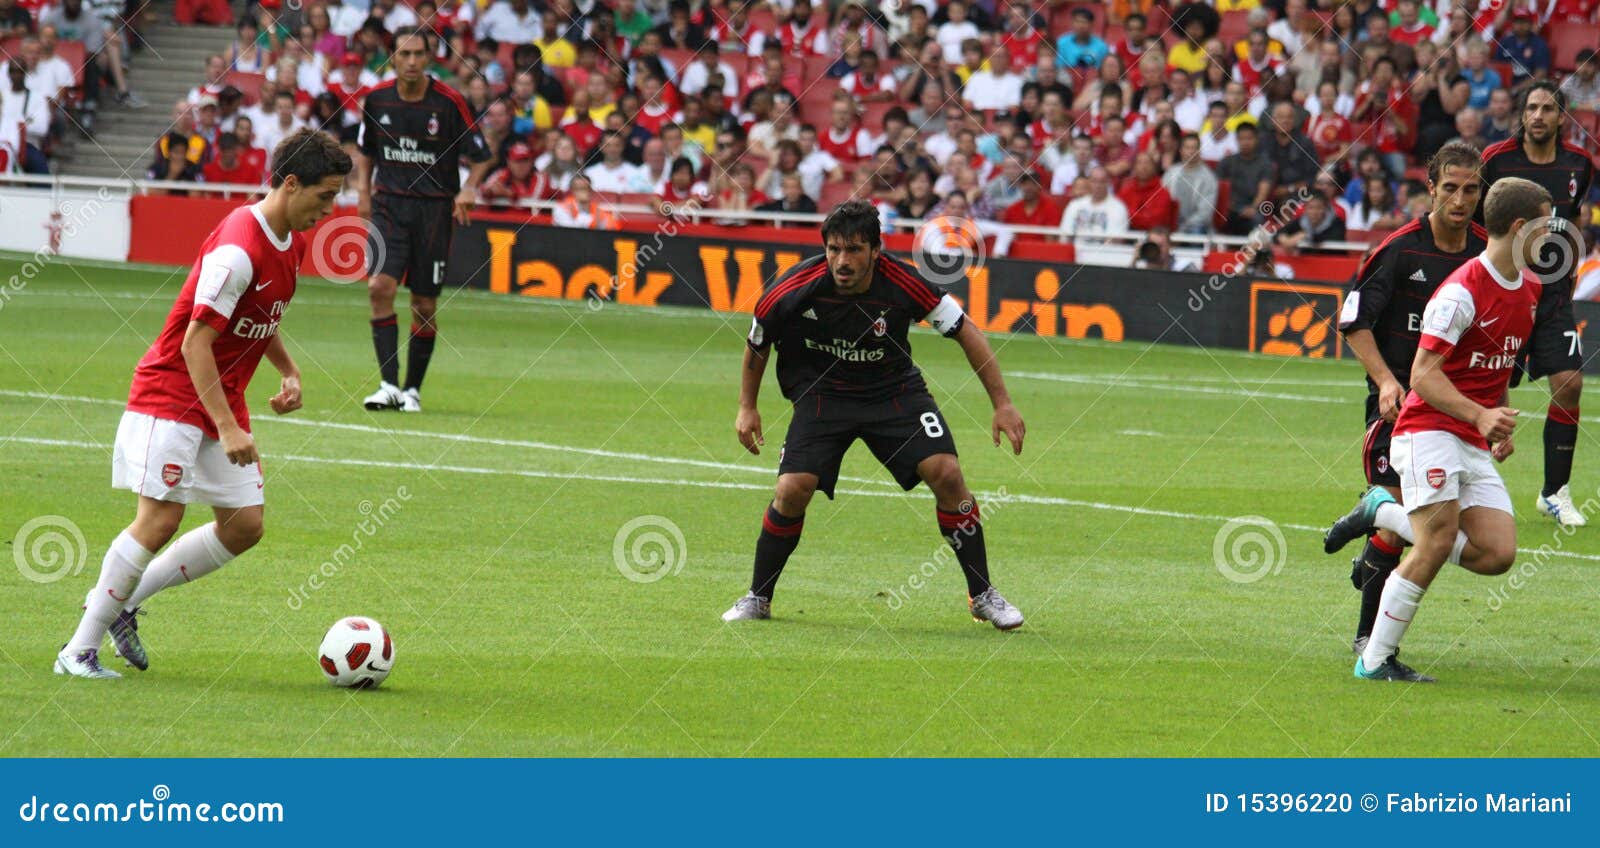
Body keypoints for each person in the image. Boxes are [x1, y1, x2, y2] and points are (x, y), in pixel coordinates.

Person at [54, 129, 350, 679]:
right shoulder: (239, 248)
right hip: (172, 393)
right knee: (160, 519)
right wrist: (228, 428)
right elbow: (195, 342)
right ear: (290, 183)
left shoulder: (293, 240)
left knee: (244, 525)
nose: (329, 209)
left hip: (220, 397)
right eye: (325, 195)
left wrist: (287, 368)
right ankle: (77, 651)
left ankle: (123, 602)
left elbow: (261, 317)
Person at [725, 200, 1027, 629]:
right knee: (792, 489)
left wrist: (1002, 404)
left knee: (946, 473)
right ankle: (758, 597)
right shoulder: (792, 287)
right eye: (833, 249)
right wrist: (747, 407)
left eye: (853, 250)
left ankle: (982, 595)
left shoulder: (904, 282)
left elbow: (966, 331)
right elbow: (758, 341)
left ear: (876, 250)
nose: (841, 261)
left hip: (894, 393)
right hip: (823, 397)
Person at [1323, 177, 1552, 683]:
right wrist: (1479, 415)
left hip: (1471, 434)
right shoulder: (1462, 291)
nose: (1551, 234)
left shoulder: (1531, 286)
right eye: (1544, 223)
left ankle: (1381, 508)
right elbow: (1424, 375)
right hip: (1426, 427)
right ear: (1520, 227)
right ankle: (1375, 660)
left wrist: (1499, 419)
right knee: (1434, 542)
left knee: (1497, 555)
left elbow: (1497, 364)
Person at [1331, 141, 1487, 659]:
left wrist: (1492, 414)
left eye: (1471, 189)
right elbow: (1353, 321)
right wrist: (1385, 381)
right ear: (1431, 188)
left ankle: (1372, 527)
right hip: (1398, 407)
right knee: (1408, 522)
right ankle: (1369, 641)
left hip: (1456, 411)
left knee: (1431, 533)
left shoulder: (1486, 256)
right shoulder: (1400, 249)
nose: (1460, 200)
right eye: (1451, 188)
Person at [357, 27, 494, 414]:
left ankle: (412, 389)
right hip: (389, 206)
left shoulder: (450, 103)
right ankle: (387, 384)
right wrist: (364, 194)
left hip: (433, 211)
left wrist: (469, 189)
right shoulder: (377, 99)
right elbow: (366, 151)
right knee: (378, 287)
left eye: (419, 53)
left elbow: (482, 155)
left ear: (429, 57)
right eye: (404, 54)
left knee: (424, 304)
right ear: (392, 58)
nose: (412, 61)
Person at [1480, 81, 1596, 526]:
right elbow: (1479, 221)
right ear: (1522, 114)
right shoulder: (1496, 160)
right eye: (1532, 107)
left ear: (1562, 116)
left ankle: (1555, 492)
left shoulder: (1579, 164)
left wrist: (1569, 261)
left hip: (1552, 296)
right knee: (1479, 384)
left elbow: (1575, 216)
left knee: (1569, 384)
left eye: (1548, 108)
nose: (1539, 115)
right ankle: (1463, 478)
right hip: (1503, 291)